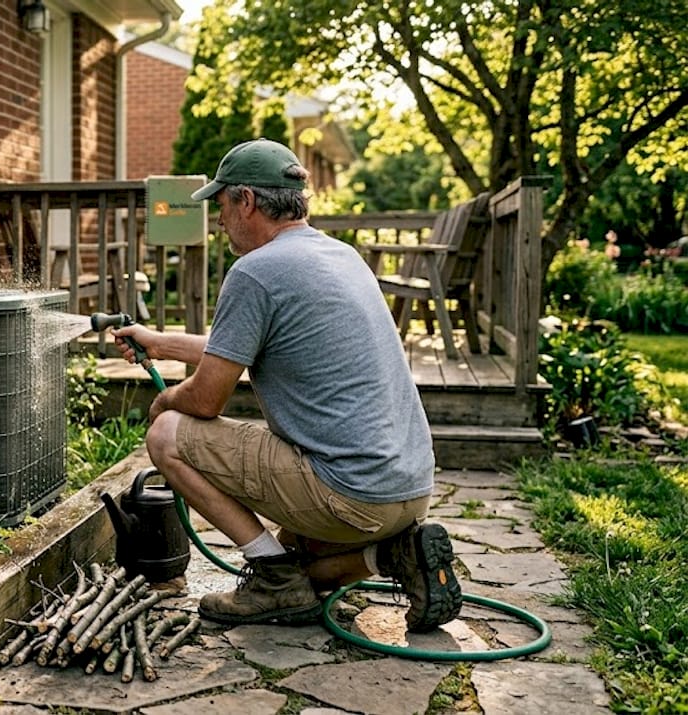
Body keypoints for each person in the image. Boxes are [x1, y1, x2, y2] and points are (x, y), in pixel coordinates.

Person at [112, 139, 462, 631]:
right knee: (306, 565)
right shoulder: (340, 255)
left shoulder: (255, 272)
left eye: (221, 205)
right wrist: (159, 343)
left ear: (246, 202)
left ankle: (272, 579)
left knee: (168, 433)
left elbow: (207, 400)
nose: (218, 220)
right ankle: (394, 555)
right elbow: (240, 345)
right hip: (406, 490)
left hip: (346, 494)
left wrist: (166, 401)